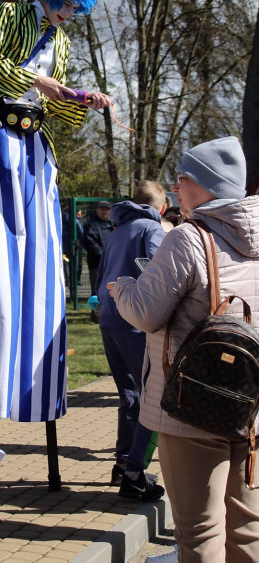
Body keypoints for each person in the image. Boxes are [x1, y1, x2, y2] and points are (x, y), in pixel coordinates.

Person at [108, 136, 259, 563]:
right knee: (249, 532)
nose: (176, 184)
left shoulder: (187, 238)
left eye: (185, 176)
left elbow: (146, 314)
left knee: (199, 536)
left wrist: (123, 287)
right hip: (251, 407)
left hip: (190, 407)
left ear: (209, 187)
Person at [0, 0, 111, 423]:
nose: (68, 14)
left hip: (35, 144)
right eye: (66, 4)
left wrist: (83, 98)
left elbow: (57, 100)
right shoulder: (11, 14)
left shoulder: (63, 42)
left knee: (41, 253)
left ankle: (34, 384)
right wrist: (38, 79)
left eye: (75, 9)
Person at [96, 181, 166, 501]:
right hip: (135, 320)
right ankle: (135, 470)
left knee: (129, 394)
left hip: (109, 317)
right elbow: (160, 275)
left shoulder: (116, 230)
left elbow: (101, 275)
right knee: (151, 395)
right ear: (161, 207)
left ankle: (123, 462)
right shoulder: (151, 229)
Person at [84, 200, 113, 294]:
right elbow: (90, 244)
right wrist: (104, 256)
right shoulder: (91, 225)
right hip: (97, 265)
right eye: (102, 209)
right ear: (97, 210)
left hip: (112, 264)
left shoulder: (113, 225)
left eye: (107, 209)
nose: (105, 211)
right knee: (98, 292)